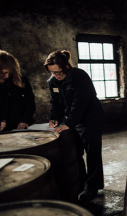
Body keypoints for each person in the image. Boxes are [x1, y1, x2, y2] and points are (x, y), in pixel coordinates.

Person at [44, 50, 104, 201]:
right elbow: (55, 103)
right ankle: (81, 182)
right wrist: (55, 118)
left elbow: (80, 103)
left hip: (90, 118)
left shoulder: (79, 76)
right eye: (52, 72)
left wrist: (69, 123)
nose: (55, 75)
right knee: (76, 152)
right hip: (72, 119)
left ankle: (93, 187)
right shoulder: (53, 81)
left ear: (66, 66)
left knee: (92, 152)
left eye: (58, 72)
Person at [0, 50, 35, 131]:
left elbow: (30, 102)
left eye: (10, 73)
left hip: (21, 128)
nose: (7, 76)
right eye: (4, 73)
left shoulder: (21, 79)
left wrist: (25, 120)